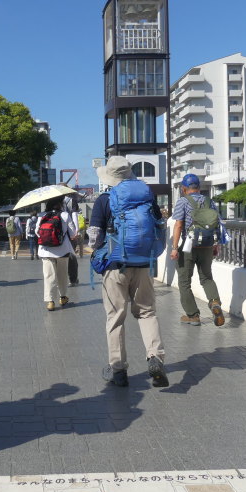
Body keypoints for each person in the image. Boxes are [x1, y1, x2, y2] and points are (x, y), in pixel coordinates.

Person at [88, 156, 168, 388]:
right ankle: (155, 357)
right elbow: (159, 227)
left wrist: (98, 249)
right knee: (147, 313)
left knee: (116, 318)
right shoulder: (148, 198)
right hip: (143, 265)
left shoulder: (104, 200)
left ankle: (119, 370)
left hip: (115, 266)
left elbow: (94, 237)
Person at [169, 173, 225, 327]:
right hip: (207, 245)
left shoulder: (182, 202)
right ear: (199, 188)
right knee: (207, 277)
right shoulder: (209, 201)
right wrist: (216, 245)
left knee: (184, 281)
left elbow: (178, 225)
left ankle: (193, 315)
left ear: (184, 189)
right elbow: (216, 223)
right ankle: (214, 302)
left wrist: (175, 248)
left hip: (189, 245)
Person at [36, 199, 77, 311]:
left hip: (45, 250)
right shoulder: (65, 215)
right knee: (62, 275)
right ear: (60, 204)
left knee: (49, 276)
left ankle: (50, 301)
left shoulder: (42, 215)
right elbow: (73, 233)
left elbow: (37, 232)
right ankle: (62, 297)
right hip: (62, 250)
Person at [62, 194, 80, 286]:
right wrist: (76, 231)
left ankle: (60, 279)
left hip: (57, 233)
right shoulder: (71, 201)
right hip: (69, 233)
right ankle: (73, 279)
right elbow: (74, 216)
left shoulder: (53, 200)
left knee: (60, 257)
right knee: (71, 256)